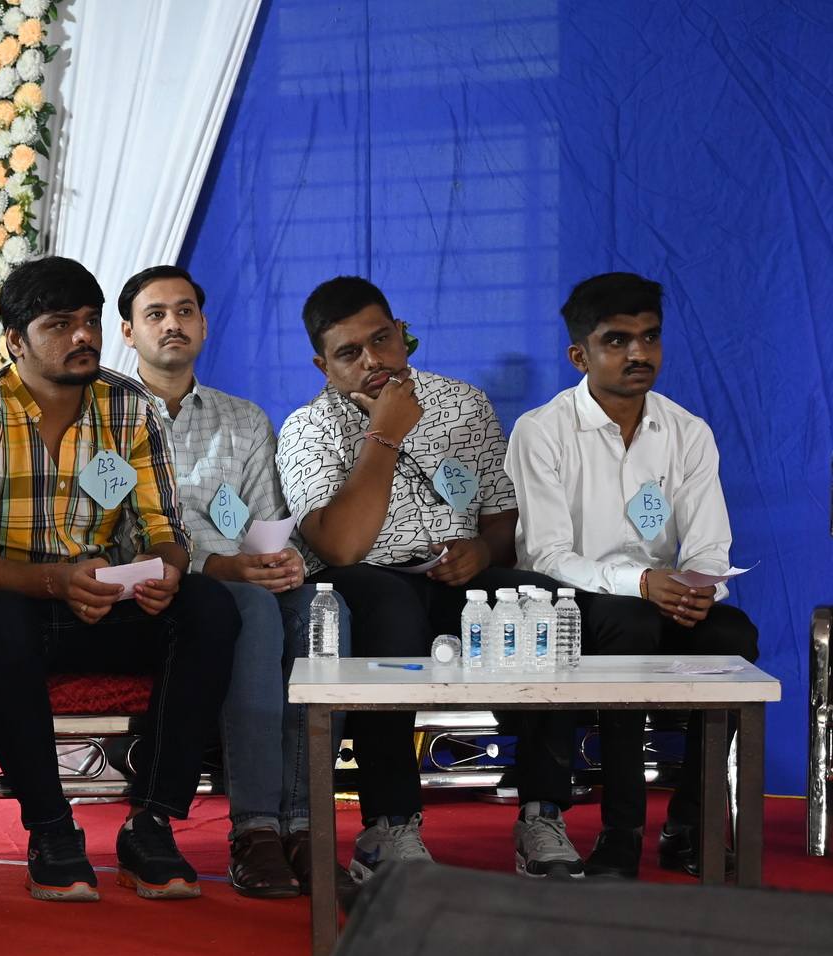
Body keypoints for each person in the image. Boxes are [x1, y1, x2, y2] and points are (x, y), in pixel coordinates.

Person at [0, 256, 238, 903]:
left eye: (90, 321)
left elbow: (163, 527)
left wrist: (164, 572)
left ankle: (152, 824)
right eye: (59, 325)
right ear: (16, 341)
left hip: (103, 599)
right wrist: (54, 582)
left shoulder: (128, 406)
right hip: (12, 604)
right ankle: (51, 829)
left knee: (208, 606)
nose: (82, 336)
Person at [276, 276, 582, 883]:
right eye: (349, 353)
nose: (372, 361)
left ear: (402, 334)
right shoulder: (308, 428)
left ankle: (542, 812)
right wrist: (385, 432)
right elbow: (339, 545)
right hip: (362, 583)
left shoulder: (464, 404)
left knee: (544, 601)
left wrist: (480, 551)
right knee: (390, 606)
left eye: (381, 340)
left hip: (456, 580)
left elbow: (502, 519)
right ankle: (388, 825)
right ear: (323, 366)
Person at [507, 272, 759, 878]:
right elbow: (545, 556)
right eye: (617, 341)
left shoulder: (687, 432)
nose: (639, 353)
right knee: (630, 626)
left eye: (650, 337)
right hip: (576, 609)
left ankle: (690, 824)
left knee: (733, 636)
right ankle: (621, 833)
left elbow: (710, 547)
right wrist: (640, 583)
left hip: (663, 599)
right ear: (580, 355)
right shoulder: (542, 431)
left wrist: (701, 590)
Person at [118, 265, 350, 898]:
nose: (173, 324)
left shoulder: (243, 420)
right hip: (162, 591)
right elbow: (114, 535)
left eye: (185, 311)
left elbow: (265, 524)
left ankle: (304, 825)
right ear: (128, 332)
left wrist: (284, 560)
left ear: (204, 324)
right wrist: (213, 566)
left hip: (243, 576)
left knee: (324, 609)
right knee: (249, 607)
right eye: (155, 314)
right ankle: (255, 829)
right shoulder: (106, 416)